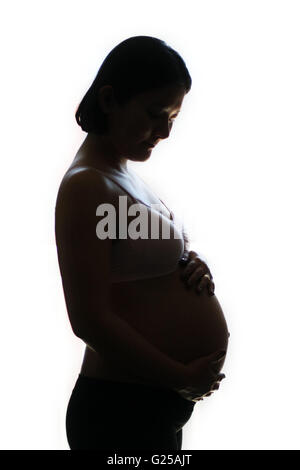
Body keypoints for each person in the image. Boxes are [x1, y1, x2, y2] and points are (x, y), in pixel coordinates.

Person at [55, 35, 229, 451]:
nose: (165, 131)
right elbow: (89, 318)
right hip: (120, 410)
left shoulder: (125, 177)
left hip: (150, 404)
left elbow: (141, 265)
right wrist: (181, 377)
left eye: (173, 117)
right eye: (155, 114)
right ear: (111, 99)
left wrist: (192, 263)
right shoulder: (87, 186)